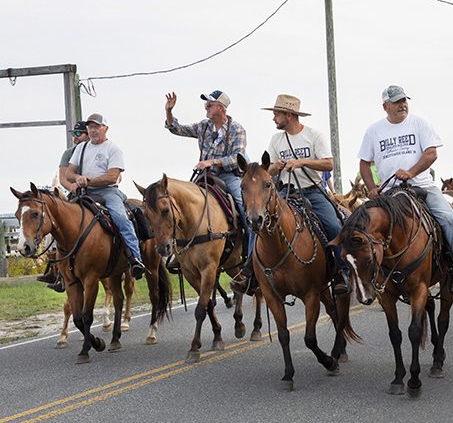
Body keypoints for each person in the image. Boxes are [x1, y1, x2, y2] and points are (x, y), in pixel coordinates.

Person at [231, 94, 350, 297]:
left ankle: (342, 273)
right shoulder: (276, 139)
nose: (274, 119)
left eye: (276, 114)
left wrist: (302, 162)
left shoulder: (314, 135)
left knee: (333, 225)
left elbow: (328, 163)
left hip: (312, 191)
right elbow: (267, 173)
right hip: (285, 194)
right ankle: (250, 273)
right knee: (256, 226)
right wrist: (274, 168)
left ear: (289, 115)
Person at [357, 85, 453, 295]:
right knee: (362, 227)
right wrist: (372, 189)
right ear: (385, 106)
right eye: (397, 102)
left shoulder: (420, 123)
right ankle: (369, 276)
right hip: (389, 192)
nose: (402, 105)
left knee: (451, 220)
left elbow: (431, 154)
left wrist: (410, 172)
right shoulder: (374, 131)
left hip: (423, 186)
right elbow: (364, 163)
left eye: (404, 100)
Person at [164, 90, 251, 256]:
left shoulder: (237, 129)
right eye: (206, 105)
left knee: (244, 207)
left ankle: (251, 249)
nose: (206, 108)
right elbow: (177, 129)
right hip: (205, 176)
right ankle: (181, 251)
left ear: (220, 107)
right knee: (183, 205)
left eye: (209, 105)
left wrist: (212, 162)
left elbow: (236, 158)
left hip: (228, 176)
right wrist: (169, 111)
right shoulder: (203, 126)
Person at [65, 114, 146, 278]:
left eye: (96, 127)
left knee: (121, 219)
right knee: (60, 217)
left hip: (107, 191)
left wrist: (88, 181)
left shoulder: (113, 149)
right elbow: (69, 173)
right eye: (90, 127)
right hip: (84, 192)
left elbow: (112, 177)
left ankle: (135, 259)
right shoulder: (81, 148)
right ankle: (58, 270)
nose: (93, 130)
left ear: (105, 129)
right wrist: (78, 179)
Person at [38, 122, 93, 291]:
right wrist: (74, 190)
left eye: (79, 133)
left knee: (121, 217)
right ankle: (57, 272)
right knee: (57, 226)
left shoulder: (99, 151)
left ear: (88, 134)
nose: (75, 136)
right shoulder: (68, 154)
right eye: (73, 134)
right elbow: (63, 179)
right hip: (76, 194)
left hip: (100, 192)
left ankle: (131, 255)